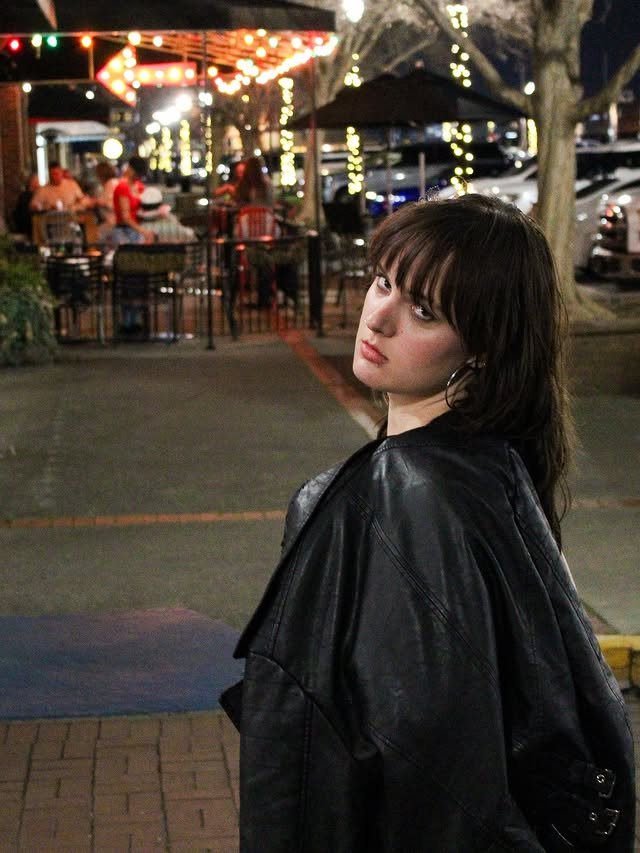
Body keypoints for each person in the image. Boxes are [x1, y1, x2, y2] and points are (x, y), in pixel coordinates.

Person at [222, 195, 635, 851]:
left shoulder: (413, 498)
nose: (378, 317)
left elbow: (438, 776)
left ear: (481, 352)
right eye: (383, 280)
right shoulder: (492, 469)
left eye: (424, 311)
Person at [110, 156, 154, 245]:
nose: (139, 177)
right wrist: (143, 231)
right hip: (123, 231)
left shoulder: (140, 186)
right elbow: (125, 217)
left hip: (138, 229)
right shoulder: (122, 187)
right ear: (130, 169)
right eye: (137, 174)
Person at [94, 161, 119, 232]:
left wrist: (97, 202)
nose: (97, 177)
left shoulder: (111, 183)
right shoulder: (112, 182)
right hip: (111, 223)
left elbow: (113, 204)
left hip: (113, 224)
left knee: (95, 235)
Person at [12, 173, 39, 237]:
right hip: (28, 227)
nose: (39, 184)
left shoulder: (30, 195)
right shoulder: (25, 196)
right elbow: (24, 214)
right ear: (32, 183)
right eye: (37, 182)